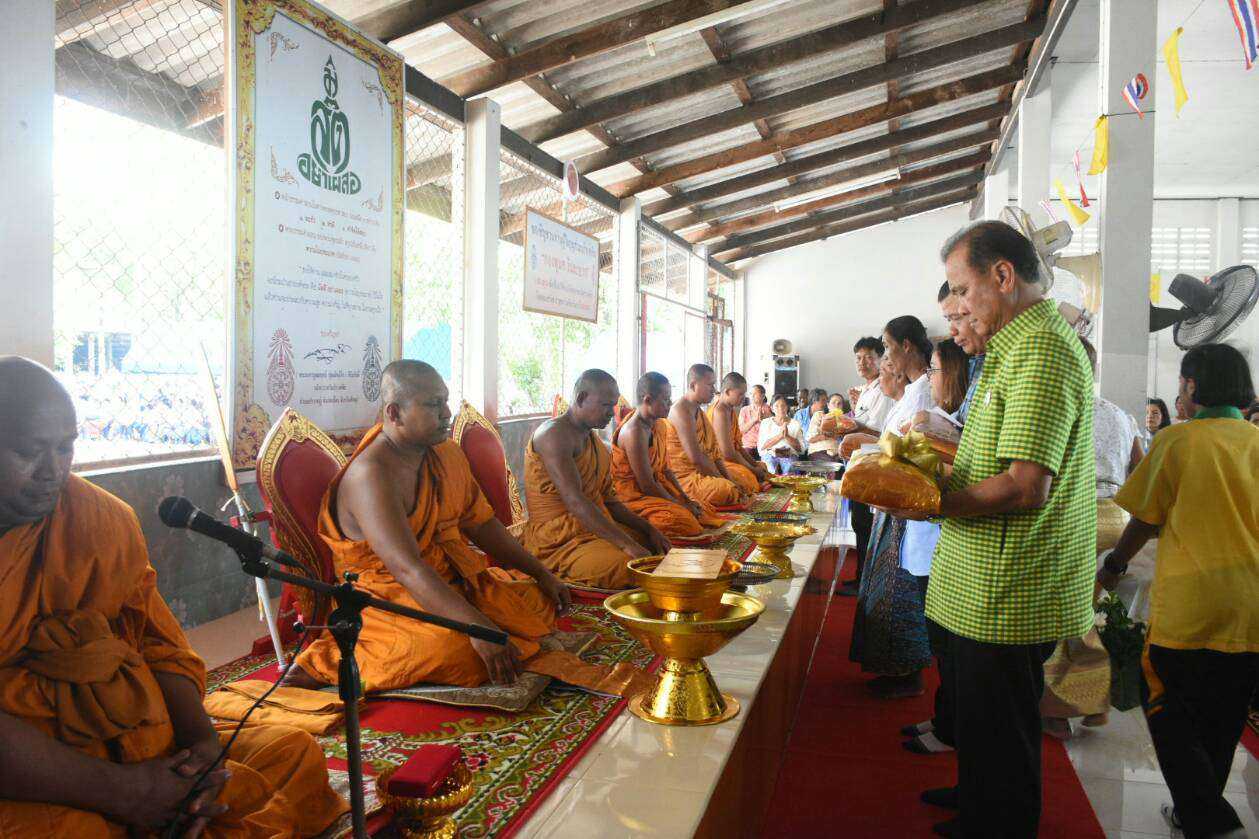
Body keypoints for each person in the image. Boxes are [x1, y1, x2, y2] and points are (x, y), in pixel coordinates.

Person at [0, 357, 348, 837]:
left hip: (136, 737)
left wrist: (202, 752)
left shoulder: (99, 518)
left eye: (66, 447)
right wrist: (124, 793)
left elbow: (156, 644)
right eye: (29, 452)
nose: (53, 471)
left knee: (293, 754)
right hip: (35, 771)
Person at [917, 221, 1096, 838]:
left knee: (1002, 721)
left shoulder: (1042, 350)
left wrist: (933, 505)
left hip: (1010, 582)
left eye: (962, 290)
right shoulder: (1011, 347)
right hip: (984, 578)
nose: (957, 306)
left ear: (1002, 275)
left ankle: (999, 823)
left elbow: (1024, 486)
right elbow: (993, 452)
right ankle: (978, 799)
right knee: (980, 713)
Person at [285, 360, 572, 691]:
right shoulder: (372, 475)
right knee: (461, 652)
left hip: (445, 579)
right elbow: (407, 569)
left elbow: (481, 524)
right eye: (434, 404)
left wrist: (541, 572)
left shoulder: (445, 453)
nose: (447, 413)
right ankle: (332, 662)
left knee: (535, 602)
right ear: (394, 414)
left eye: (446, 401)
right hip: (387, 598)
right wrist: (476, 628)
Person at [1099, 344, 1258, 839]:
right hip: (1250, 606)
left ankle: (1209, 817)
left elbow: (1144, 519)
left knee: (1166, 704)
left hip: (1191, 604)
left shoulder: (1177, 442)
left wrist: (1115, 565)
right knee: (1224, 713)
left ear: (1191, 385)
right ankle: (1197, 811)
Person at [1040, 336, 1143, 741]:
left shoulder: (1059, 409)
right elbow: (1140, 471)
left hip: (1077, 516)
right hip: (1118, 516)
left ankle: (1066, 706)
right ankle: (1092, 701)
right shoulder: (1120, 414)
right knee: (1090, 609)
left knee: (1063, 612)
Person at [904, 285, 990, 756]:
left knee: (959, 652)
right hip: (949, 531)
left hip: (963, 534)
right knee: (946, 644)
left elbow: (1015, 481)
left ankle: (952, 729)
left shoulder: (1022, 367)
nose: (955, 328)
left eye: (959, 316)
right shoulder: (984, 378)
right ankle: (947, 720)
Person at [850, 316, 945, 700]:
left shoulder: (922, 394)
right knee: (884, 590)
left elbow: (913, 451)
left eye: (888, 348)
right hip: (892, 501)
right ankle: (894, 669)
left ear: (907, 347)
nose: (884, 358)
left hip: (906, 504)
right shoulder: (911, 393)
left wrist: (869, 451)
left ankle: (907, 672)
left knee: (899, 593)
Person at [524, 369, 671, 590]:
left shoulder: (593, 440)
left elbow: (609, 501)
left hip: (592, 526)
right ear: (581, 398)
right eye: (606, 405)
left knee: (656, 546)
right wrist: (627, 545)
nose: (612, 412)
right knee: (633, 568)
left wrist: (649, 529)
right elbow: (575, 501)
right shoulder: (554, 435)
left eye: (614, 405)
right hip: (559, 540)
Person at [610, 371, 726, 538]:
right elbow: (647, 485)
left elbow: (666, 469)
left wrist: (685, 499)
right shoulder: (634, 432)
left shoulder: (659, 425)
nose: (670, 403)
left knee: (703, 508)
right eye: (665, 399)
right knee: (684, 521)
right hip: (635, 496)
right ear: (648, 400)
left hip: (659, 488)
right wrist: (680, 505)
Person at [842, 337, 893, 596]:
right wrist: (852, 414)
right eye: (858, 358)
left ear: (881, 358)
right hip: (860, 463)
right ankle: (861, 578)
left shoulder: (882, 390)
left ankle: (865, 582)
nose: (862, 363)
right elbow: (862, 422)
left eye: (869, 357)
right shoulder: (867, 389)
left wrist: (852, 426)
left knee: (865, 524)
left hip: (871, 464)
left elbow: (879, 432)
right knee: (859, 523)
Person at [664, 364, 751, 508]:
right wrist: (726, 482)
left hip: (704, 473)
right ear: (693, 385)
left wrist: (729, 479)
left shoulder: (700, 413)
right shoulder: (681, 411)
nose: (714, 390)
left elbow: (715, 454)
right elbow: (696, 459)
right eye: (710, 385)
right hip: (685, 478)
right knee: (728, 490)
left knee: (743, 482)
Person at [707, 372, 771, 492]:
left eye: (744, 394)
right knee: (745, 476)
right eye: (740, 394)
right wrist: (753, 470)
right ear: (727, 392)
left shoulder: (730, 410)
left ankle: (758, 481)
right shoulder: (720, 412)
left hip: (732, 459)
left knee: (762, 466)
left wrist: (755, 465)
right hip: (720, 463)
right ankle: (756, 483)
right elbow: (727, 454)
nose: (743, 398)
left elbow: (738, 446)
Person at [758, 395, 805, 474]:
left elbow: (802, 449)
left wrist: (787, 436)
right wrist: (780, 436)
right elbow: (761, 447)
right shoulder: (765, 423)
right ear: (772, 408)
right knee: (770, 467)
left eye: (783, 405)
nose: (780, 409)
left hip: (790, 455)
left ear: (787, 407)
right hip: (770, 455)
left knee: (790, 466)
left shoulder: (795, 423)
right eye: (776, 406)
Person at [805, 389, 842, 461]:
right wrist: (826, 435)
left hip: (836, 451)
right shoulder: (819, 415)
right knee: (830, 462)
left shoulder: (845, 420)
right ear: (828, 405)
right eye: (834, 403)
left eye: (839, 403)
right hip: (819, 450)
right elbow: (810, 439)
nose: (837, 405)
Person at [739, 384, 771, 463]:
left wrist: (765, 418)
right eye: (750, 394)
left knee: (768, 461)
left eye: (755, 394)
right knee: (746, 462)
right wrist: (754, 420)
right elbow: (741, 430)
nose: (752, 396)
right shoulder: (744, 410)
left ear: (763, 396)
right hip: (749, 445)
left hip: (766, 445)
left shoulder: (770, 409)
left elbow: (774, 429)